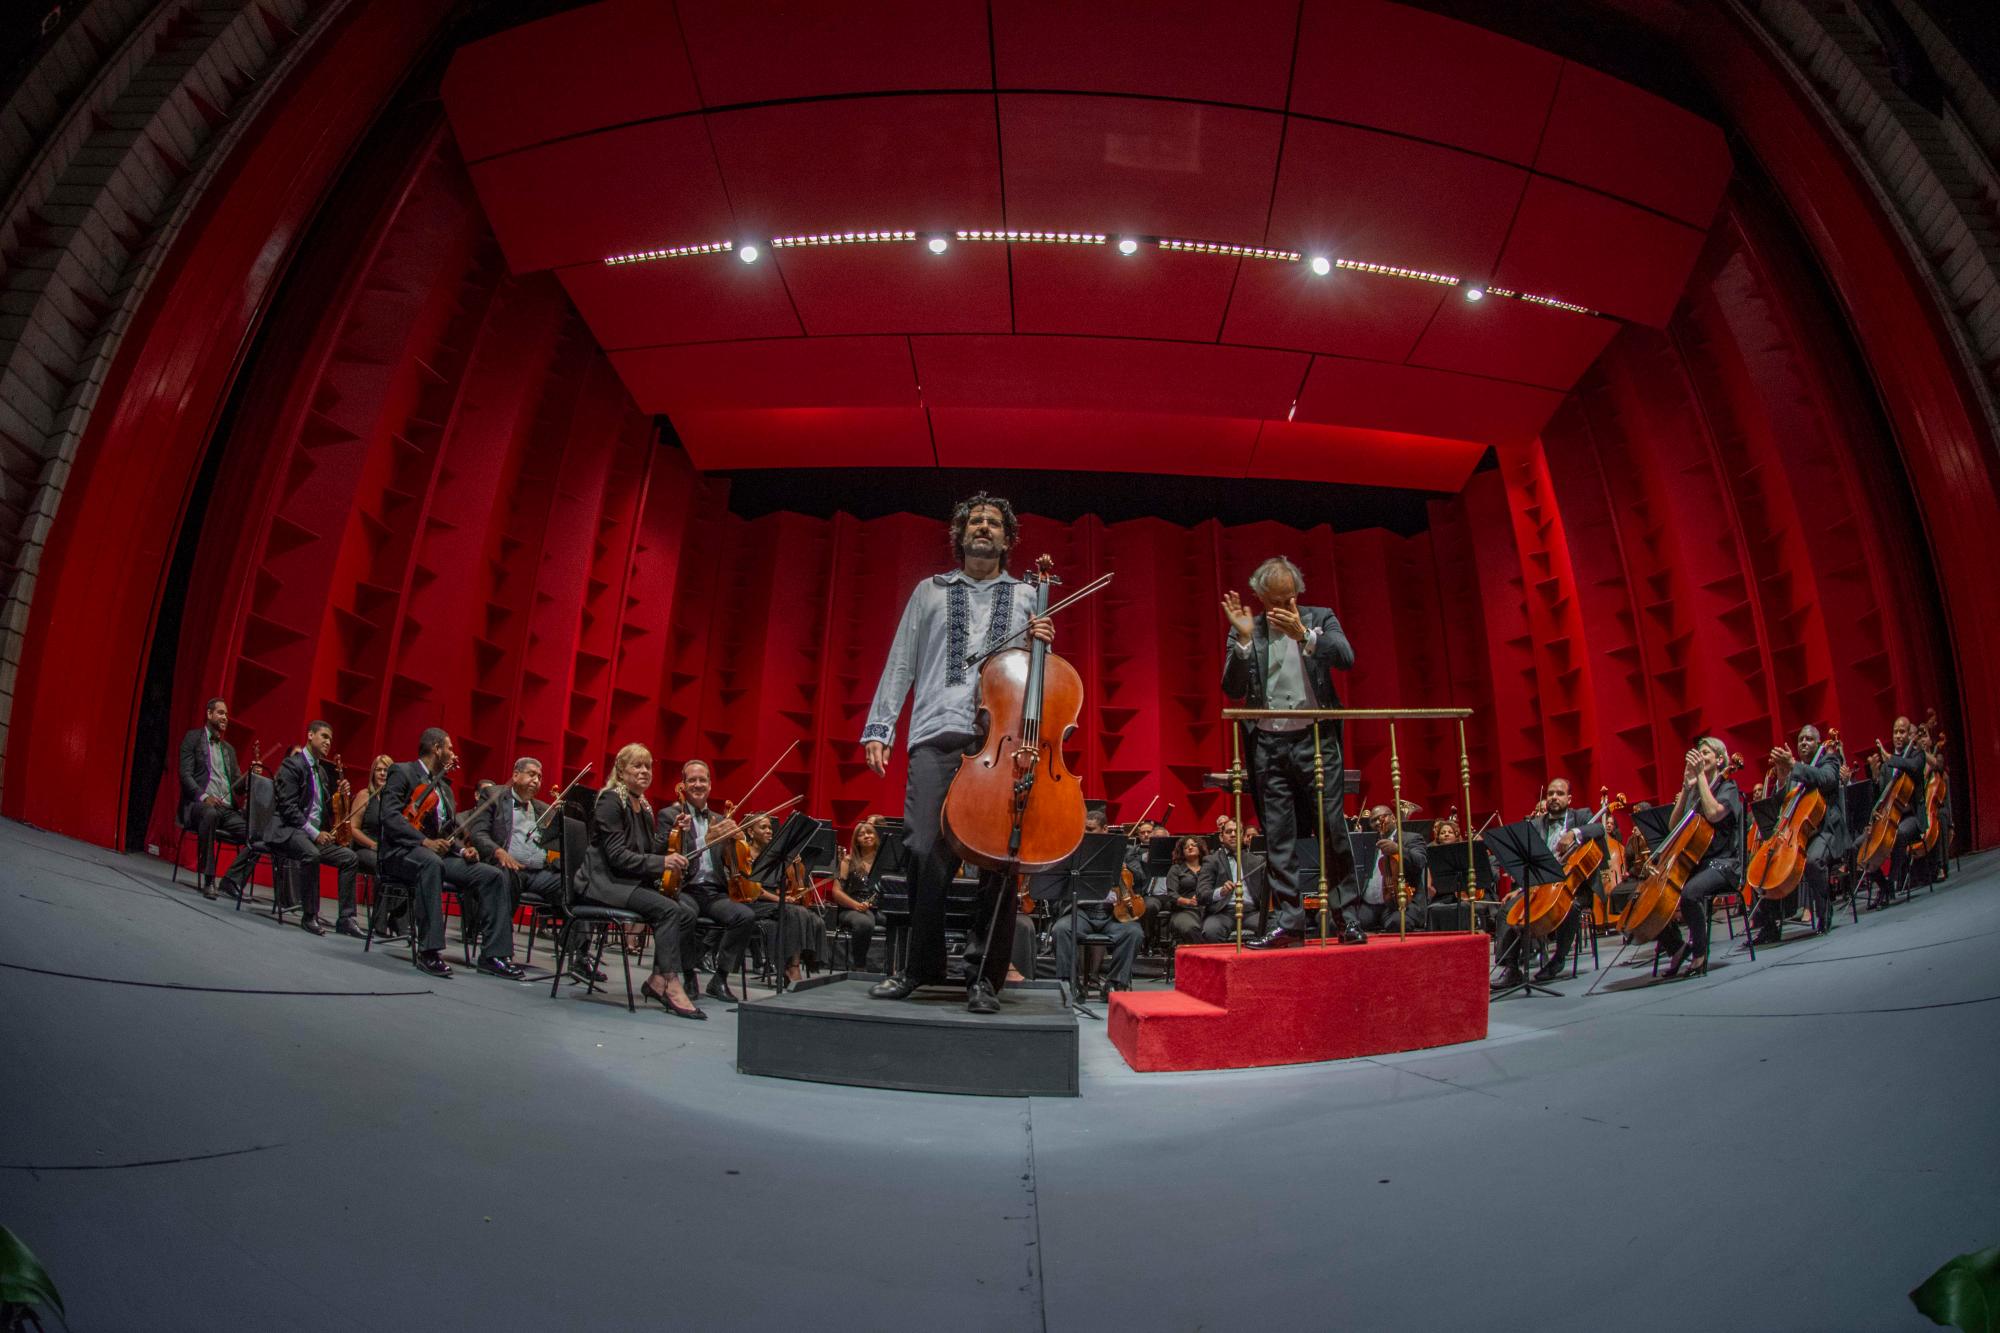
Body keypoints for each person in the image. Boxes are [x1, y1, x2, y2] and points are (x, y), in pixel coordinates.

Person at [861, 492, 1053, 1015]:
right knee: (924, 848)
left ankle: (984, 978)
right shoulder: (929, 591)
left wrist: (1045, 644)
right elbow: (901, 659)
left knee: (998, 861)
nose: (984, 528)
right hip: (935, 730)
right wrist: (880, 726)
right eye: (975, 522)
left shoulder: (1029, 596)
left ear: (1008, 539)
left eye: (994, 523)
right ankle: (921, 966)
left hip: (1002, 739)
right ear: (960, 535)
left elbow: (1039, 680)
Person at [1220, 557, 1363, 948]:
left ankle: (1346, 918)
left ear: (1297, 593)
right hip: (1268, 743)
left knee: (1332, 830)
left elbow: (1346, 658)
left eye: (1285, 600)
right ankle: (1289, 922)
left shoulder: (1321, 617)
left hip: (1316, 740)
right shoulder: (1250, 629)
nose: (1279, 609)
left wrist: (1305, 635)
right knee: (1278, 835)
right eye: (1271, 602)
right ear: (1260, 599)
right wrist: (1244, 643)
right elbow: (1231, 689)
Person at [574, 742, 703, 1017]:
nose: (644, 771)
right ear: (621, 771)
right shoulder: (611, 800)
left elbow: (648, 852)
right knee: (669, 909)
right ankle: (669, 981)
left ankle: (657, 978)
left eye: (648, 766)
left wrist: (674, 834)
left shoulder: (642, 805)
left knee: (686, 911)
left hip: (626, 881)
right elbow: (618, 857)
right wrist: (663, 862)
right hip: (604, 883)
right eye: (637, 765)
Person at [377, 728, 516, 980]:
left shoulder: (445, 788)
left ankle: (493, 956)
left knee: (492, 875)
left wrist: (463, 850)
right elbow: (390, 817)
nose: (452, 753)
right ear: (436, 748)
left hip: (437, 855)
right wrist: (424, 842)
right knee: (431, 863)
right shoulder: (403, 771)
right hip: (401, 852)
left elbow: (448, 832)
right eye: (449, 748)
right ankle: (429, 951)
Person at [654, 759, 758, 1001]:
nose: (698, 784)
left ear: (710, 785)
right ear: (683, 785)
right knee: (686, 915)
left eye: (702, 780)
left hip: (713, 891)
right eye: (692, 780)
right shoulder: (670, 815)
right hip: (683, 888)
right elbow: (663, 852)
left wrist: (737, 841)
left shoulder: (720, 820)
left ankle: (719, 979)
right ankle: (688, 974)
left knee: (745, 916)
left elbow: (732, 863)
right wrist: (705, 840)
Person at [1491, 780, 1602, 986]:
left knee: (1571, 906)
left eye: (1559, 793)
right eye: (1550, 793)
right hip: (1540, 887)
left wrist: (1574, 833)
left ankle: (1557, 960)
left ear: (1569, 798)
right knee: (1508, 909)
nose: (1553, 797)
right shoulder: (1535, 825)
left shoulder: (1581, 816)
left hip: (1574, 886)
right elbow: (1529, 862)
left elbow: (1599, 828)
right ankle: (1512, 967)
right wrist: (1521, 889)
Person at [1654, 737, 1746, 979]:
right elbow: (1674, 827)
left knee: (1690, 894)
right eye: (1698, 752)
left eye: (1706, 752)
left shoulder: (1728, 787)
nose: (1700, 756)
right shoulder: (1695, 790)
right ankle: (1677, 948)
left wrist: (1702, 780)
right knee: (1655, 897)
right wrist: (1686, 787)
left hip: (1724, 864)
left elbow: (1715, 814)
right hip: (1697, 865)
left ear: (1719, 759)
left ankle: (1699, 955)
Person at [262, 720, 363, 937]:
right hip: (289, 830)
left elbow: (325, 811)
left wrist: (343, 795)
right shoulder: (293, 765)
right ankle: (309, 915)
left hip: (311, 835)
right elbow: (287, 808)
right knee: (311, 854)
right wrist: (315, 833)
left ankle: (346, 918)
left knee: (349, 858)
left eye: (330, 739)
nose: (328, 742)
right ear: (310, 735)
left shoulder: (323, 773)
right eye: (324, 736)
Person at [1750, 725, 1842, 941]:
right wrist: (1782, 777)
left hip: (1824, 830)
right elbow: (1781, 804)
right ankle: (1770, 927)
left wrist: (1793, 765)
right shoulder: (1794, 771)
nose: (1803, 743)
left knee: (1812, 861)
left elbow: (1825, 779)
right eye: (1800, 739)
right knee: (1767, 863)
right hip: (1796, 833)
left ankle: (1824, 910)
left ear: (1818, 743)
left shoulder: (1829, 761)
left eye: (1809, 739)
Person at [471, 756, 563, 952]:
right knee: (503, 876)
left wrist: (559, 821)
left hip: (538, 873)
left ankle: (576, 953)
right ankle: (495, 953)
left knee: (573, 883)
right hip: (506, 867)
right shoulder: (493, 796)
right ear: (515, 775)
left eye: (540, 777)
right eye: (531, 775)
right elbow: (478, 833)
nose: (536, 780)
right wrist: (499, 852)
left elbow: (555, 843)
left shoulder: (543, 809)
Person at [1049, 809, 1144, 995]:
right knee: (1061, 930)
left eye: (1090, 829)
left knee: (1134, 933)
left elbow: (1141, 879)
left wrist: (1125, 866)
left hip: (1114, 914)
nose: (1085, 834)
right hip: (1082, 911)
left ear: (1105, 829)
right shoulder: (1073, 852)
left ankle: (1115, 983)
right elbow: (1059, 886)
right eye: (1083, 829)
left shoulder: (1125, 851)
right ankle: (1069, 983)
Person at [176, 697, 262, 900]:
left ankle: (231, 880)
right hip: (199, 806)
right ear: (209, 714)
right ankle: (209, 879)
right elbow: (185, 775)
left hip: (227, 809)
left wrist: (250, 776)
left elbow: (237, 788)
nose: (225, 717)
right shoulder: (193, 738)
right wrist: (204, 796)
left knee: (258, 835)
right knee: (210, 813)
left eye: (226, 714)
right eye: (220, 713)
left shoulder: (228, 750)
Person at [742, 813, 827, 985]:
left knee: (814, 919)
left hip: (773, 901)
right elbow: (753, 890)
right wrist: (780, 899)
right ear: (750, 832)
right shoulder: (745, 853)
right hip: (753, 902)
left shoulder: (775, 855)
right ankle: (791, 967)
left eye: (769, 827)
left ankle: (805, 962)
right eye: (763, 827)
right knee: (795, 912)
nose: (769, 831)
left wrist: (789, 863)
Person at [1350, 804, 1431, 936]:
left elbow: (1420, 861)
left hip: (1400, 902)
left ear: (1393, 818)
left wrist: (1398, 849)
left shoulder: (1411, 838)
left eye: (1381, 818)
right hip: (1369, 906)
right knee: (1344, 922)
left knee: (1398, 923)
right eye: (1373, 820)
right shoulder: (1369, 843)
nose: (1378, 822)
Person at [1195, 817, 1263, 944]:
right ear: (1221, 837)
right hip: (1222, 913)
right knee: (1211, 931)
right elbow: (1201, 895)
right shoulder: (1211, 861)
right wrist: (1221, 892)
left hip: (1251, 912)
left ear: (1243, 836)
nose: (1233, 835)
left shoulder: (1257, 861)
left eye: (1237, 831)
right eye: (1229, 832)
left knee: (1273, 927)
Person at [829, 816, 884, 973]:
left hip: (876, 908)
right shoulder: (848, 861)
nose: (867, 836)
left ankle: (896, 968)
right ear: (856, 840)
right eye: (861, 834)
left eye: (870, 833)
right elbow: (836, 892)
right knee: (865, 923)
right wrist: (856, 905)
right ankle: (859, 966)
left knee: (901, 920)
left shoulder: (884, 862)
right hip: (851, 909)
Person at [1164, 836, 1206, 945]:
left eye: (1193, 845)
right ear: (1182, 852)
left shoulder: (1208, 867)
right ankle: (1203, 957)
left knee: (1213, 929)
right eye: (1186, 847)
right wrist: (1187, 901)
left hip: (1207, 910)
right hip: (1183, 911)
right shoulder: (1176, 869)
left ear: (1200, 848)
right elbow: (1171, 894)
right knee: (1190, 928)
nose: (1190, 848)